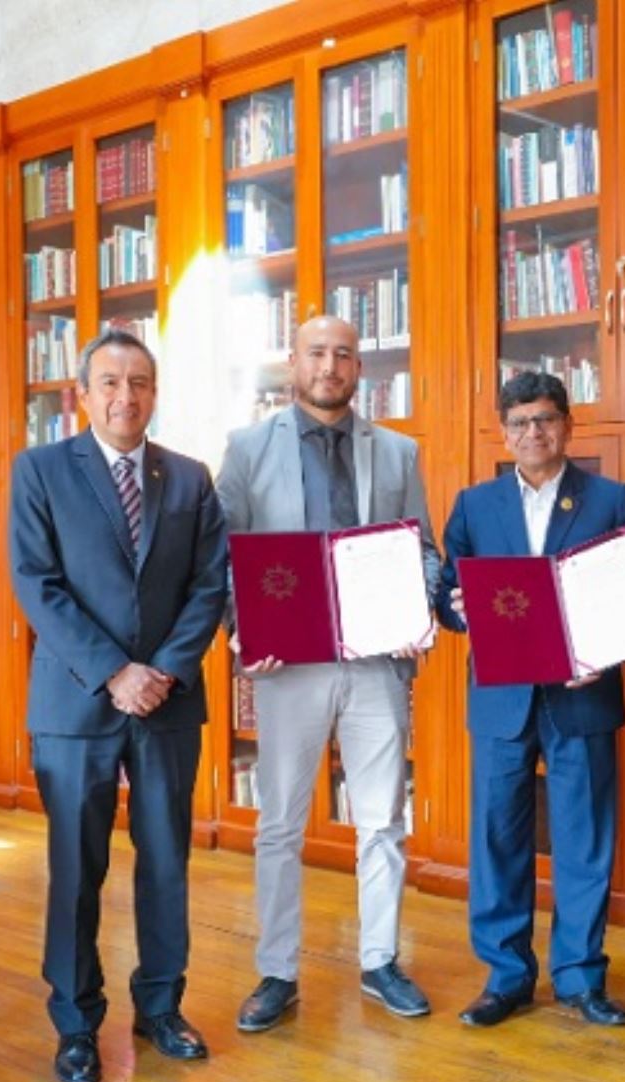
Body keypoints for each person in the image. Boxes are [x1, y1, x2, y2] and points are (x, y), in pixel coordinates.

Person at [8, 328, 228, 1082]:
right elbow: (38, 584)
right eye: (109, 381)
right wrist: (113, 673)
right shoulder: (39, 471)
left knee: (166, 860)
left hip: (166, 702)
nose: (124, 395)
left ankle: (161, 1007)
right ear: (83, 393)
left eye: (138, 382)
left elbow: (209, 585)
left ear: (154, 393)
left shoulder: (191, 479)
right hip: (76, 703)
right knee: (77, 866)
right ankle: (75, 1022)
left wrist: (161, 671)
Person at [217, 314, 441, 1031]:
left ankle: (380, 960)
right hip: (289, 665)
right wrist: (242, 628)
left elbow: (424, 551)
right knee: (280, 822)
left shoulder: (399, 452)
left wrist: (420, 610)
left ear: (358, 368)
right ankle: (277, 970)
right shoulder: (248, 449)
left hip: (377, 662)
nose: (330, 365)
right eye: (317, 352)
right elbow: (224, 556)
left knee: (382, 820)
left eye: (344, 353)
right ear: (294, 362)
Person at [434, 371, 625, 1028]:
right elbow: (448, 592)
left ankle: (580, 976)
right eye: (520, 422)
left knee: (584, 837)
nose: (534, 433)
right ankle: (507, 974)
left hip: (581, 694)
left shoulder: (609, 499)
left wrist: (600, 652)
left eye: (546, 419)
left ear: (567, 426)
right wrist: (458, 608)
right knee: (498, 837)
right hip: (502, 695)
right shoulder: (474, 504)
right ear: (503, 431)